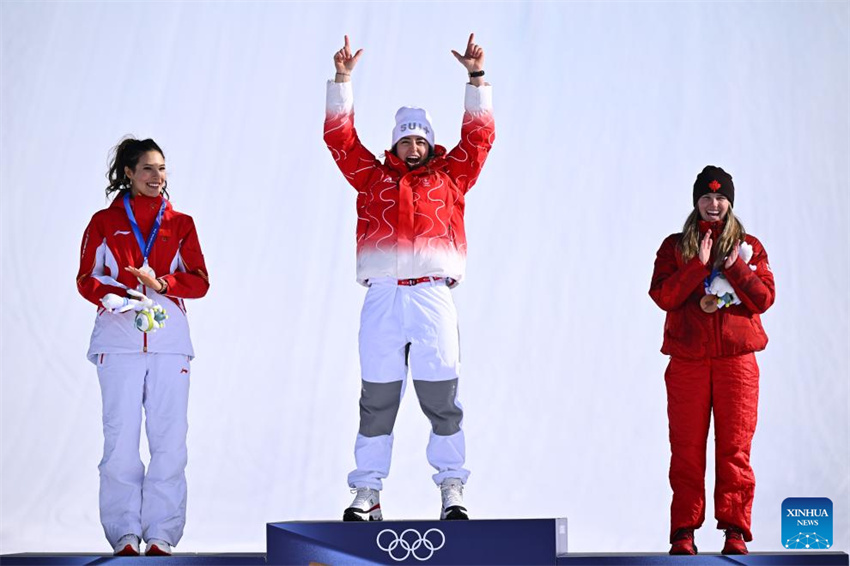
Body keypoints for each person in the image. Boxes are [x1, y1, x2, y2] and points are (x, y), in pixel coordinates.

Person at [323, 34, 495, 521]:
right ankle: (368, 491)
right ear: (395, 141)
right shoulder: (371, 176)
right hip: (382, 298)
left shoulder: (451, 175)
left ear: (430, 142)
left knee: (441, 398)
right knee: (376, 398)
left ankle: (452, 486)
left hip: (431, 296)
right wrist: (343, 80)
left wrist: (476, 78)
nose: (414, 146)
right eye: (406, 138)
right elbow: (339, 140)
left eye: (421, 138)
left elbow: (480, 138)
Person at [76, 138, 209, 556]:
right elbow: (87, 277)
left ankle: (162, 534)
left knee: (170, 438)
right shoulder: (104, 221)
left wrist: (162, 284)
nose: (157, 177)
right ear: (129, 173)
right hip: (118, 342)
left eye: (163, 169)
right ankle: (124, 534)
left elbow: (201, 280)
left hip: (169, 342)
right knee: (120, 440)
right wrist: (114, 296)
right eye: (148, 169)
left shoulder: (181, 223)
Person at [649, 166, 775, 555]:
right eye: (706, 197)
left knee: (735, 448)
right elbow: (664, 296)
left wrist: (734, 264)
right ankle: (683, 531)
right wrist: (697, 266)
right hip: (688, 362)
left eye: (720, 198)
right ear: (696, 202)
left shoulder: (749, 246)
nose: (713, 204)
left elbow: (765, 299)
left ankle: (734, 531)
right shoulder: (675, 247)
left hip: (737, 363)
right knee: (686, 448)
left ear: (730, 203)